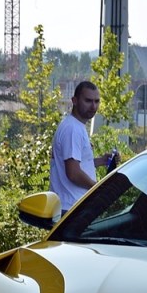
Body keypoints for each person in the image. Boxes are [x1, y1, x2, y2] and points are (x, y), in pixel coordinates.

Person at [50, 80, 115, 211]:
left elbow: (74, 165)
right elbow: (73, 173)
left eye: (97, 101)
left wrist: (101, 161)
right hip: (70, 208)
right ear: (74, 100)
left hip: (70, 207)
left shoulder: (76, 126)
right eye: (88, 101)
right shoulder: (73, 129)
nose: (93, 106)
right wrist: (97, 189)